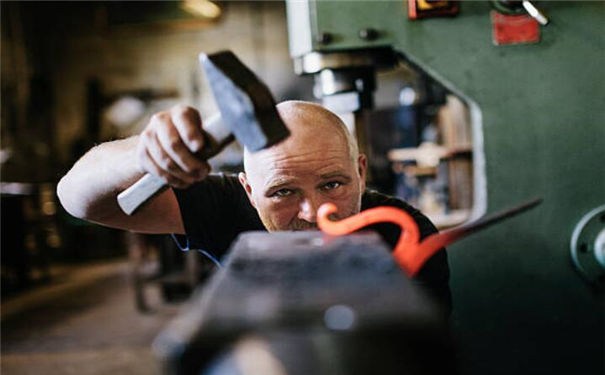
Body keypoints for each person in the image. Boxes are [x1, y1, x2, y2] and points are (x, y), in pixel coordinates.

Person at [57, 100, 451, 313]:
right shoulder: (227, 206)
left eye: (332, 184)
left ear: (361, 172)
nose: (313, 212)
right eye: (283, 192)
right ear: (248, 189)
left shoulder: (405, 231)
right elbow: (77, 199)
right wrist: (145, 153)